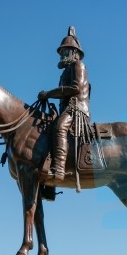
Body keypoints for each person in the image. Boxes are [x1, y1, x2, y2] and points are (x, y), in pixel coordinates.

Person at [38, 26, 90, 181]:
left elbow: (76, 88)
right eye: (61, 51)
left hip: (77, 110)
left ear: (74, 52)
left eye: (65, 51)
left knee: (60, 127)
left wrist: (48, 94)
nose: (61, 54)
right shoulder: (65, 72)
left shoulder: (78, 66)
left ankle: (59, 169)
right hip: (66, 109)